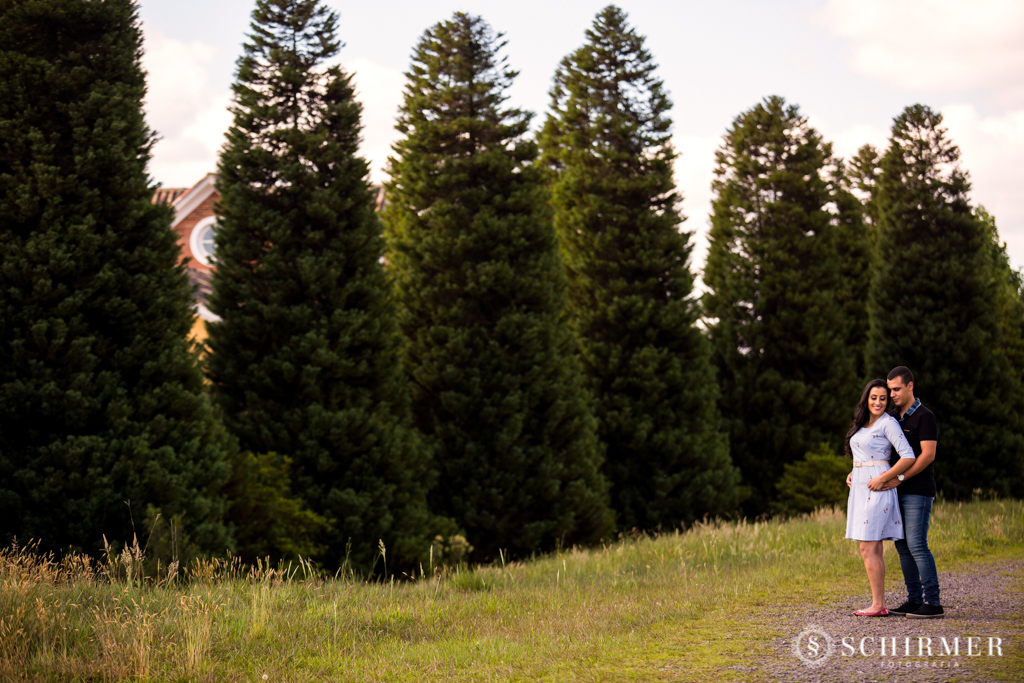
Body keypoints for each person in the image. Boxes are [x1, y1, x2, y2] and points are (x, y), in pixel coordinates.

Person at [874, 366, 943, 619]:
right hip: (895, 492)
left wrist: (900, 477)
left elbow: (928, 456)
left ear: (910, 386)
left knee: (917, 544)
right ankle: (914, 600)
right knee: (902, 546)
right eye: (890, 389)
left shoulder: (925, 417)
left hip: (918, 491)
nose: (891, 394)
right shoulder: (891, 417)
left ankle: (933, 602)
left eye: (896, 389)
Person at [844, 379, 916, 617]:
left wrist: (885, 478)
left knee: (868, 547)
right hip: (861, 488)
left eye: (883, 398)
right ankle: (879, 603)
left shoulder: (888, 423)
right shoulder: (863, 423)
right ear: (866, 398)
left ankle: (878, 605)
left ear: (887, 401)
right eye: (873, 397)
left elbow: (908, 456)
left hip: (877, 488)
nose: (877, 402)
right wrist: (854, 472)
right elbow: (864, 454)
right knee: (870, 548)